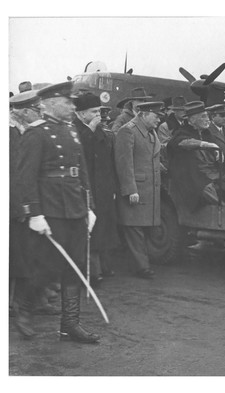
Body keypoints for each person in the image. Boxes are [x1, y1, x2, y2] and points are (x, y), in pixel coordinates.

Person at [14, 81, 100, 343]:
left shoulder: (71, 131)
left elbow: (82, 172)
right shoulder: (35, 133)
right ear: (50, 104)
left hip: (74, 207)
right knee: (46, 267)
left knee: (74, 267)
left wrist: (89, 207)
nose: (72, 106)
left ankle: (69, 325)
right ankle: (24, 310)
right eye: (68, 102)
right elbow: (24, 177)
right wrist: (34, 213)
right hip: (50, 209)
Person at [9, 90, 61, 316]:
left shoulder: (25, 131)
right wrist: (19, 206)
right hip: (14, 206)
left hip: (27, 203)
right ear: (25, 112)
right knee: (14, 256)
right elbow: (12, 175)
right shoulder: (10, 133)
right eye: (37, 111)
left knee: (29, 255)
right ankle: (14, 304)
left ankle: (31, 300)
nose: (41, 114)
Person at [73, 93, 120, 285]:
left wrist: (112, 186)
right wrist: (90, 131)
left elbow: (108, 160)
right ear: (82, 113)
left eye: (98, 111)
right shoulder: (76, 129)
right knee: (90, 229)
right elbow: (80, 154)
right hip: (87, 187)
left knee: (103, 227)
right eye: (93, 112)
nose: (98, 115)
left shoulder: (98, 130)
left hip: (103, 187)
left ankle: (103, 265)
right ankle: (92, 272)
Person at [114, 101, 164, 279]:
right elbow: (123, 163)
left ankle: (141, 264)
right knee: (134, 229)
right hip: (137, 189)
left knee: (142, 228)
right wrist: (130, 189)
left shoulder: (149, 131)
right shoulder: (128, 130)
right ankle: (141, 267)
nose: (158, 120)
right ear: (144, 114)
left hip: (149, 188)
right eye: (156, 116)